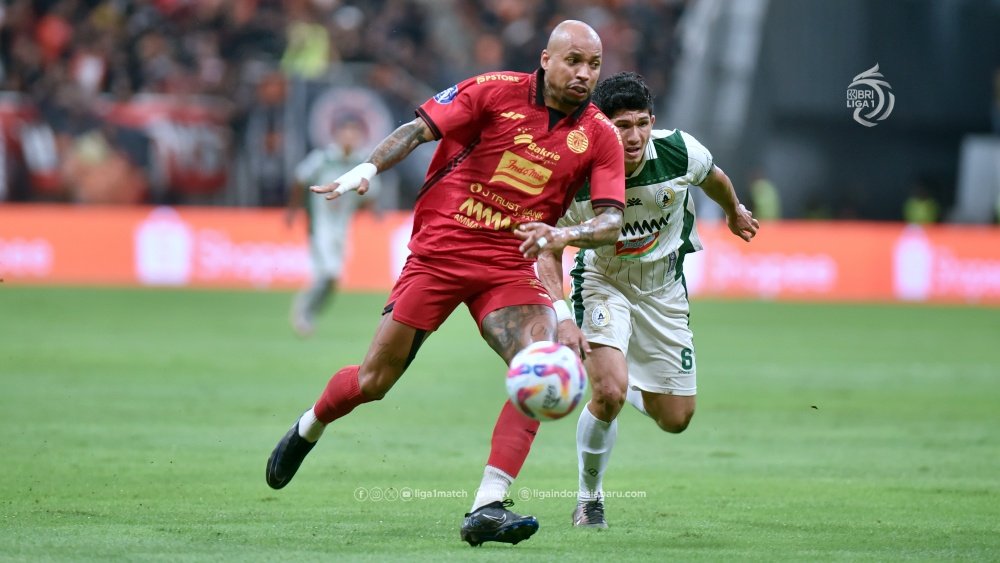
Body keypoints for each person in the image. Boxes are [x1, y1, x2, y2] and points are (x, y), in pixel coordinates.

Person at [264, 20, 626, 547]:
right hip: (441, 254)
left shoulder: (598, 135)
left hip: (509, 264)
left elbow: (611, 220)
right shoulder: (493, 91)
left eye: (593, 65)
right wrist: (367, 168)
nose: (584, 74)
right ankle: (310, 425)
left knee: (542, 365)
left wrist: (563, 233)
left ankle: (488, 505)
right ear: (546, 59)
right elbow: (417, 130)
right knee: (373, 381)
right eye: (573, 61)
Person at [533, 72, 759, 529]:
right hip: (603, 281)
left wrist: (733, 210)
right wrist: (561, 314)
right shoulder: (576, 174)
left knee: (676, 419)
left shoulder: (678, 151)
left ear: (652, 121)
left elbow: (713, 178)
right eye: (622, 126)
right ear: (602, 125)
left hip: (664, 291)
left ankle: (628, 383)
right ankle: (589, 499)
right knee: (608, 394)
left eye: (641, 123)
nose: (633, 136)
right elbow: (548, 248)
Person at [285, 116, 377, 337]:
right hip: (320, 226)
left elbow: (371, 194)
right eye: (346, 132)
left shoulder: (361, 163)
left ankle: (310, 312)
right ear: (337, 135)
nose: (350, 137)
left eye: (354, 133)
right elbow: (300, 179)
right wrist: (294, 210)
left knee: (334, 279)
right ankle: (303, 310)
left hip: (342, 229)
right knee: (327, 272)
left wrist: (368, 209)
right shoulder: (323, 159)